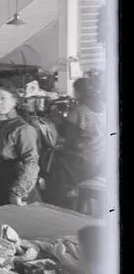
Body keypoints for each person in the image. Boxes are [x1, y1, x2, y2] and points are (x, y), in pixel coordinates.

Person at [44, 77, 106, 208]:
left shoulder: (80, 110)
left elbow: (68, 135)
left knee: (52, 164)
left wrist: (56, 120)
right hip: (97, 155)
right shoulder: (102, 107)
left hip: (80, 158)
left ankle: (59, 202)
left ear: (77, 92)